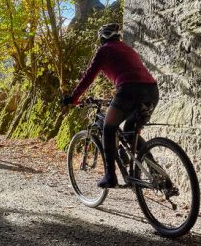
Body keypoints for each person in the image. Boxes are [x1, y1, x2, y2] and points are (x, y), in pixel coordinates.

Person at [63, 23, 159, 189]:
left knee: (108, 128)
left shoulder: (104, 50)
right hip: (152, 91)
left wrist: (73, 97)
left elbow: (88, 77)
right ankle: (156, 173)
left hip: (129, 90)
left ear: (101, 38)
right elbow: (132, 71)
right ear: (117, 36)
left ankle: (110, 176)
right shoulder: (128, 49)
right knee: (130, 132)